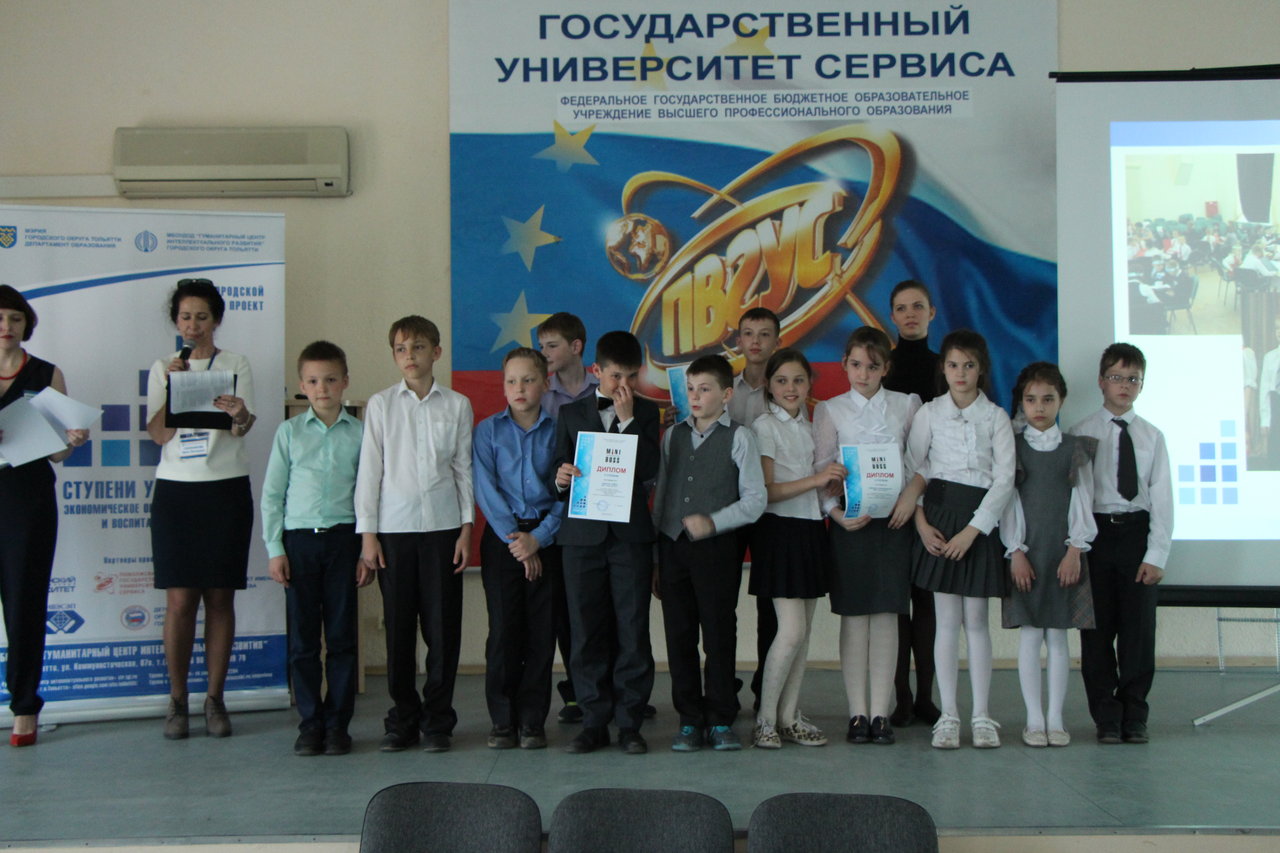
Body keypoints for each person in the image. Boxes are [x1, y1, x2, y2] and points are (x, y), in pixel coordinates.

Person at [356, 315, 473, 753]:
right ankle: (402, 719)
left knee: (442, 631)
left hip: (444, 530)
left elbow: (463, 470)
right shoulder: (381, 405)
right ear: (394, 356)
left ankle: (438, 721)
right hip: (395, 532)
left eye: (419, 347)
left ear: (436, 352)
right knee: (399, 631)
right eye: (401, 349)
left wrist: (466, 529)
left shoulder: (457, 405)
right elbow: (370, 473)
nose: (410, 356)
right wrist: (368, 536)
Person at [147, 278, 256, 740]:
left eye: (202, 317)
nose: (193, 325)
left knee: (220, 598)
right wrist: (173, 387)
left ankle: (215, 698)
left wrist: (239, 413)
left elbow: (243, 427)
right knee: (179, 602)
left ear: (216, 320)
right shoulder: (163, 368)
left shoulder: (235, 364)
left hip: (225, 490)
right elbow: (159, 435)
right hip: (177, 493)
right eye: (185, 317)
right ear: (176, 321)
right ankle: (177, 701)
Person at [906, 329, 1015, 750]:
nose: (961, 373)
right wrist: (921, 523)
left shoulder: (996, 417)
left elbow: (1004, 480)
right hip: (938, 519)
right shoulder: (929, 413)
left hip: (978, 523)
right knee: (946, 622)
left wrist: (974, 530)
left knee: (977, 622)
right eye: (953, 365)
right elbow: (915, 470)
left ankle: (982, 716)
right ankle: (948, 715)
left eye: (969, 365)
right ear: (944, 368)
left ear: (981, 369)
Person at [814, 327, 923, 747]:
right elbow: (823, 470)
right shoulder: (830, 410)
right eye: (856, 365)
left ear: (886, 368)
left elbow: (918, 463)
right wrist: (836, 514)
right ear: (844, 364)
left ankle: (881, 713)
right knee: (855, 616)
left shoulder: (906, 405)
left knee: (888, 615)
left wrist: (909, 501)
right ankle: (857, 713)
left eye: (873, 366)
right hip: (852, 525)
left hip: (894, 523)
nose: (863, 374)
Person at [553, 331, 660, 755]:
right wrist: (560, 478)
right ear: (597, 370)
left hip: (629, 537)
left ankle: (630, 722)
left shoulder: (646, 412)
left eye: (632, 377)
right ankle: (593, 720)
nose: (624, 386)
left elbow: (650, 469)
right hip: (581, 538)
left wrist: (629, 421)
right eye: (616, 376)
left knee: (633, 628)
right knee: (585, 629)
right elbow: (555, 469)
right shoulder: (570, 412)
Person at [654, 354, 766, 752]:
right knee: (679, 634)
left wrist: (714, 522)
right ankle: (689, 719)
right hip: (673, 547)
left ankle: (720, 717)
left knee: (718, 633)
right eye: (690, 389)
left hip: (717, 549)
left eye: (705, 389)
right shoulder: (672, 436)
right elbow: (663, 496)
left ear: (726, 394)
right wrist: (656, 555)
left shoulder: (740, 437)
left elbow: (755, 500)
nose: (695, 397)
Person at [261, 341, 367, 756]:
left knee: (341, 639)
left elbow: (369, 494)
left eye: (330, 379)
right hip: (299, 542)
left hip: (344, 540)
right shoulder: (288, 432)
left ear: (345, 382)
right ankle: (310, 724)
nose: (322, 388)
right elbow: (273, 495)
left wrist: (365, 549)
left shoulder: (361, 434)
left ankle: (338, 725)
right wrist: (275, 548)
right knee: (303, 642)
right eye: (313, 381)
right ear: (302, 386)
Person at [1068, 343, 1172, 744]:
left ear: (1141, 385)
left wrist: (1156, 554)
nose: (1124, 385)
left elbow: (1162, 499)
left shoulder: (1151, 436)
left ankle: (1134, 714)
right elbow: (1076, 497)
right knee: (1096, 632)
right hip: (1095, 534)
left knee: (1138, 632)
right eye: (1116, 377)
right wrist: (1076, 546)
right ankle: (1106, 717)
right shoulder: (1081, 433)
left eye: (1133, 379)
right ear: (1101, 382)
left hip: (1136, 534)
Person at [0, 285, 89, 747]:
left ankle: (24, 707)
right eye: (0, 318)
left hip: (26, 500)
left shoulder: (46, 373)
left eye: (15, 318)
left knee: (25, 604)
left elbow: (57, 453)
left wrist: (72, 440)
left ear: (26, 324)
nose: (6, 327)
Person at [1000, 362, 1097, 748]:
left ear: (1061, 401)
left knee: (1057, 636)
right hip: (1027, 555)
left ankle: (1055, 718)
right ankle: (1033, 719)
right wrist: (1015, 552)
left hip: (1063, 556)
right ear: (1021, 402)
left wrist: (1075, 550)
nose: (1039, 407)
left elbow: (1083, 502)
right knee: (1030, 635)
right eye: (1031, 400)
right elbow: (1008, 505)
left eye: (1047, 399)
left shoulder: (1075, 450)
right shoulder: (1013, 448)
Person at [750, 348, 841, 750]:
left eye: (799, 380)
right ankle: (765, 720)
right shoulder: (763, 426)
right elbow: (767, 491)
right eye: (782, 380)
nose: (791, 388)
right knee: (790, 631)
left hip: (811, 530)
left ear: (809, 384)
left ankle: (788, 717)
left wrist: (832, 483)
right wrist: (817, 479)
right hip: (778, 531)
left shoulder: (812, 425)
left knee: (803, 635)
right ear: (769, 385)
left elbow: (820, 483)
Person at [473, 347, 562, 750]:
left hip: (548, 539)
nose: (519, 388)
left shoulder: (560, 431)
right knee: (504, 632)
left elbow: (568, 494)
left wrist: (538, 539)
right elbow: (486, 491)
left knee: (541, 634)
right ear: (503, 385)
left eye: (528, 379)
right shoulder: (487, 432)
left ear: (545, 383)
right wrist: (518, 542)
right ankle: (502, 721)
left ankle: (532, 721)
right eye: (511, 381)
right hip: (503, 541)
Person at [881, 280, 944, 728]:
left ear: (931, 313)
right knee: (896, 604)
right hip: (889, 498)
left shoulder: (946, 367)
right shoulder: (883, 368)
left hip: (933, 496)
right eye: (902, 308)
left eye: (918, 306)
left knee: (928, 603)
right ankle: (900, 697)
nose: (910, 315)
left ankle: (926, 697)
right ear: (892, 316)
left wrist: (918, 496)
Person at [536, 311, 595, 724]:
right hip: (556, 515)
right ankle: (576, 691)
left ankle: (610, 688)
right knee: (566, 612)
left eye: (552, 346)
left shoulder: (604, 388)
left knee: (603, 609)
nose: (545, 353)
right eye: (540, 347)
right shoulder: (541, 396)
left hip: (600, 516)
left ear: (576, 347)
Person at [728, 307, 782, 712]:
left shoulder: (786, 390)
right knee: (722, 601)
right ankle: (723, 687)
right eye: (749, 333)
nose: (756, 341)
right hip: (729, 506)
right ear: (739, 341)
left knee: (770, 604)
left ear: (777, 341)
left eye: (765, 334)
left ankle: (768, 686)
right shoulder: (723, 390)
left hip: (772, 508)